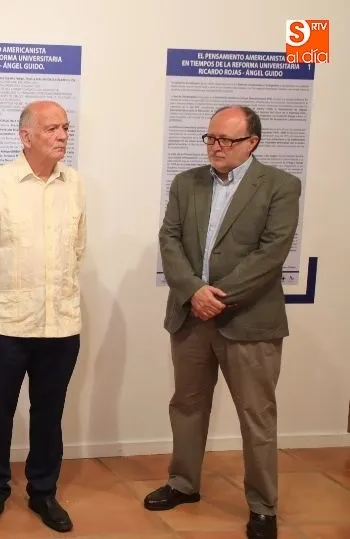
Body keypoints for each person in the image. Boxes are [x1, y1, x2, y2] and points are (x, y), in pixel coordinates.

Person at [145, 105, 300, 539]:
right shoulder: (186, 182)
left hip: (249, 320)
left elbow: (271, 252)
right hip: (191, 316)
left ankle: (263, 506)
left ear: (253, 142)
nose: (216, 147)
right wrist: (193, 291)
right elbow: (169, 238)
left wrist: (218, 297)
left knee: (257, 416)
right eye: (211, 138)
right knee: (187, 405)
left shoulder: (281, 187)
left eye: (227, 140)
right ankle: (183, 482)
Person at [0, 100, 86, 534]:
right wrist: (6, 296)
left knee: (49, 414)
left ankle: (43, 492)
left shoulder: (75, 185)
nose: (62, 135)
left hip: (61, 324)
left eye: (66, 128)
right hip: (5, 325)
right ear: (26, 135)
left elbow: (77, 250)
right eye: (52, 128)